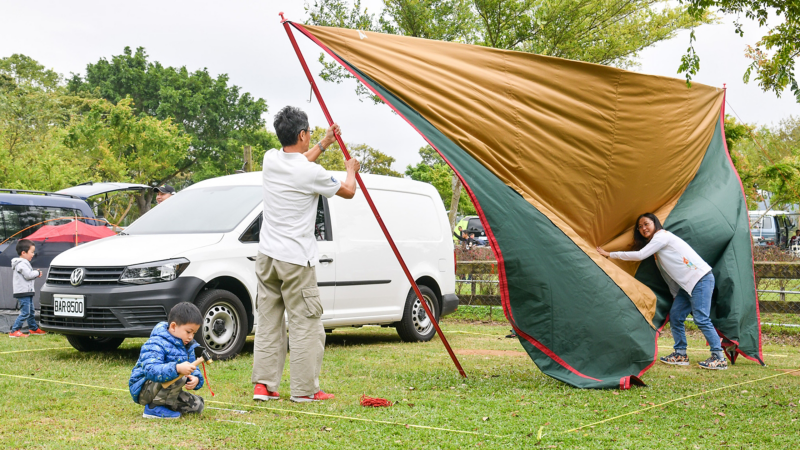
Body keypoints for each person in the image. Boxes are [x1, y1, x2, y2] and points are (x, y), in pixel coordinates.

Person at [252, 106, 360, 403]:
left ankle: (264, 385)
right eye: (310, 133)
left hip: (267, 257)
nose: (310, 136)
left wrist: (325, 142)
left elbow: (300, 161)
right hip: (296, 260)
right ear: (301, 135)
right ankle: (304, 390)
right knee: (306, 324)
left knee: (269, 320)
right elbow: (349, 191)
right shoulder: (311, 173)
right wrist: (350, 169)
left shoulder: (271, 159)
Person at [597, 213, 727, 370]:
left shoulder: (662, 236)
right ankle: (680, 354)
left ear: (655, 223)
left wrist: (610, 254)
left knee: (701, 318)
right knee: (676, 316)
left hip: (700, 278)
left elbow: (639, 255)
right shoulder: (657, 248)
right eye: (640, 227)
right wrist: (676, 296)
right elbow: (670, 277)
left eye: (646, 224)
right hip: (686, 287)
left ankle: (718, 357)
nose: (643, 228)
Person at [129, 302, 205, 419]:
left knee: (197, 406)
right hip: (145, 389)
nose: (191, 337)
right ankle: (153, 408)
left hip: (166, 389)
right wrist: (177, 368)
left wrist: (196, 379)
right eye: (188, 332)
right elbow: (151, 370)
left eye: (194, 333)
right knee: (180, 375)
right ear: (173, 326)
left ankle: (165, 406)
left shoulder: (187, 346)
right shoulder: (155, 343)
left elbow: (192, 368)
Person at [8, 239, 45, 338]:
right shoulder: (21, 263)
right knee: (25, 312)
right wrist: (36, 273)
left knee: (31, 311)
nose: (33, 254)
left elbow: (27, 273)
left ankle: (33, 328)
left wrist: (34, 272)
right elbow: (28, 275)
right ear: (23, 253)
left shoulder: (24, 263)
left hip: (27, 292)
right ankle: (14, 331)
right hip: (23, 292)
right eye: (32, 252)